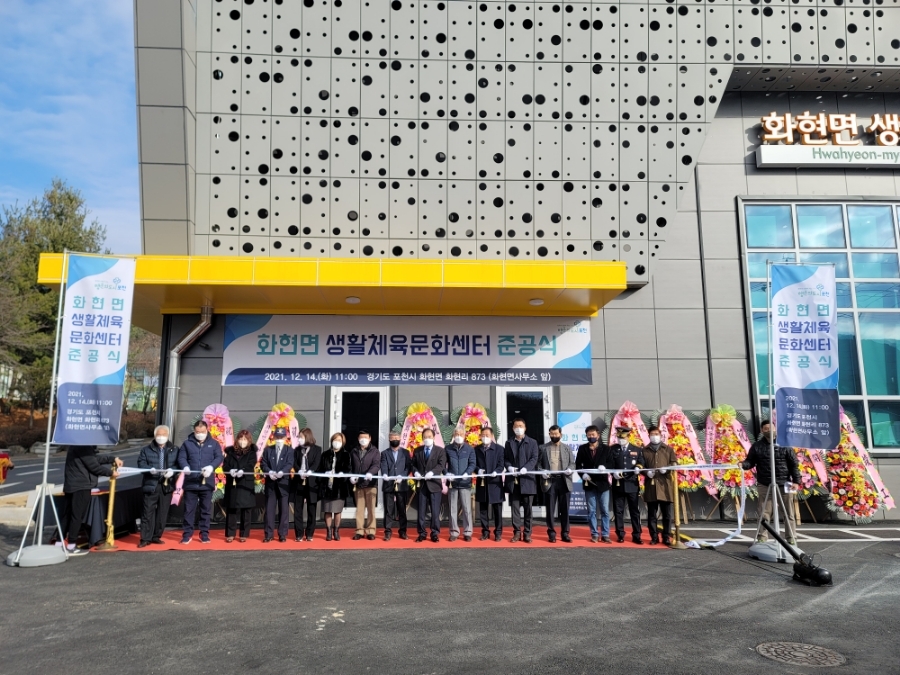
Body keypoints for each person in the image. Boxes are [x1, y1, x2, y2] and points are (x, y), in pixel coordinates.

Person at [742, 420, 802, 546]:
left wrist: (797, 481)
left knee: (788, 512)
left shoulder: (785, 445)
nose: (769, 430)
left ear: (775, 429)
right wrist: (743, 465)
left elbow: (794, 465)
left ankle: (791, 538)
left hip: (784, 483)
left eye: (771, 428)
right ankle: (762, 537)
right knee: (764, 513)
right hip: (765, 483)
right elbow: (750, 462)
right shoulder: (757, 446)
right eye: (766, 428)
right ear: (761, 431)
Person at [62, 445, 122, 555]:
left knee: (68, 515)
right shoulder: (83, 445)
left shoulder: (76, 444)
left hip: (72, 484)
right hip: (81, 485)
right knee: (77, 516)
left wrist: (112, 458)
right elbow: (93, 466)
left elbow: (93, 459)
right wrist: (110, 473)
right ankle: (71, 545)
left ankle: (59, 542)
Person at [176, 419, 223, 545]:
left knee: (206, 510)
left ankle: (204, 534)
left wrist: (211, 467)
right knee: (189, 510)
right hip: (191, 482)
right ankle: (187, 534)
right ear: (194, 431)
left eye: (202, 432)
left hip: (206, 483)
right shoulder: (187, 444)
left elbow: (219, 457)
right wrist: (185, 466)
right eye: (197, 432)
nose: (200, 434)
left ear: (207, 430)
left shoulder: (214, 443)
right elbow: (181, 457)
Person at [136, 425, 176, 547]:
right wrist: (149, 469)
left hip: (166, 484)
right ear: (154, 436)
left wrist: (172, 471)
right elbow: (141, 463)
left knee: (162, 513)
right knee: (147, 512)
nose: (161, 437)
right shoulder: (146, 450)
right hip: (151, 484)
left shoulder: (174, 449)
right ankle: (145, 538)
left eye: (163, 435)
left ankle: (156, 536)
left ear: (168, 436)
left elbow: (179, 464)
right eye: (159, 435)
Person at [575, 424, 614, 543]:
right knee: (591, 511)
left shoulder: (606, 449)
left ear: (598, 435)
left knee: (604, 510)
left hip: (603, 484)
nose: (591, 436)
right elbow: (578, 465)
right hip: (589, 483)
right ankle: (594, 534)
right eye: (589, 435)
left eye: (593, 434)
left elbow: (611, 464)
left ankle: (605, 534)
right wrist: (583, 475)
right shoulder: (583, 448)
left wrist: (605, 467)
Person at [537, 425, 575, 543]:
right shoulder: (543, 448)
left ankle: (565, 533)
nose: (554, 436)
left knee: (564, 509)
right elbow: (538, 464)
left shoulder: (567, 448)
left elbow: (572, 463)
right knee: (550, 509)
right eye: (552, 434)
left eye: (556, 434)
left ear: (560, 434)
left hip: (564, 481)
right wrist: (542, 472)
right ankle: (551, 533)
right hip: (550, 481)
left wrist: (570, 469)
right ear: (549, 434)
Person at [641, 425, 677, 546]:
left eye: (656, 434)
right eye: (652, 434)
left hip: (665, 486)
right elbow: (640, 466)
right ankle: (654, 537)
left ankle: (666, 536)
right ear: (649, 436)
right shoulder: (645, 450)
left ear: (660, 435)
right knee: (652, 515)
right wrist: (646, 472)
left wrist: (667, 469)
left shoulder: (668, 449)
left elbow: (674, 463)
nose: (654, 436)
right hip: (651, 486)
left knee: (667, 514)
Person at [504, 418, 538, 543]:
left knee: (528, 509)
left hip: (527, 479)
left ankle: (527, 533)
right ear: (513, 428)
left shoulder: (532, 442)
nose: (518, 428)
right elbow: (506, 458)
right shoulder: (509, 443)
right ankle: (516, 532)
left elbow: (534, 458)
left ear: (525, 428)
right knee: (515, 508)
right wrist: (509, 467)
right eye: (516, 426)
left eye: (521, 426)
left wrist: (526, 468)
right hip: (514, 481)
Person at [411, 428, 447, 542]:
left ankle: (434, 533)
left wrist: (433, 472)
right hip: (421, 485)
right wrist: (415, 472)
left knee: (435, 511)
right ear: (422, 438)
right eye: (425, 437)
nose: (427, 439)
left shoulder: (440, 451)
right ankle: (421, 533)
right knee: (421, 511)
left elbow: (441, 465)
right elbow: (413, 465)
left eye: (429, 437)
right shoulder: (417, 450)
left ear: (433, 437)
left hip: (434, 485)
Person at [611, 426, 644, 544]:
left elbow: (641, 461)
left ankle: (637, 535)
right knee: (618, 511)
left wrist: (638, 467)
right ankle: (620, 534)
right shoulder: (613, 449)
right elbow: (609, 463)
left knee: (634, 511)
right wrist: (612, 472)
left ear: (628, 437)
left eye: (623, 438)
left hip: (632, 484)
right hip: (618, 484)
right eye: (619, 438)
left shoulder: (636, 449)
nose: (621, 440)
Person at [223, 429, 257, 543]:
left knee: (246, 509)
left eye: (245, 439)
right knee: (231, 508)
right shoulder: (230, 452)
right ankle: (230, 533)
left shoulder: (252, 452)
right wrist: (230, 470)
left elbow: (251, 464)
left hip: (245, 482)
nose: (243, 441)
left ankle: (244, 534)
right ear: (237, 440)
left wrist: (243, 470)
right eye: (241, 439)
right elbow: (225, 465)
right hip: (233, 483)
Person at [262, 428, 293, 542]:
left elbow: (289, 463)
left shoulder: (289, 450)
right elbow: (263, 463)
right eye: (277, 437)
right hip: (271, 484)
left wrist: (282, 472)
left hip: (283, 483)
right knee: (269, 510)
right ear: (274, 437)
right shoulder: (268, 450)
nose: (279, 439)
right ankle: (268, 534)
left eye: (281, 437)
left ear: (285, 438)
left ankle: (282, 534)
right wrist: (269, 471)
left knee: (284, 510)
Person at [445, 427, 476, 542]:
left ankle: (467, 532)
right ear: (453, 435)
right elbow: (442, 464)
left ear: (464, 435)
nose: (458, 436)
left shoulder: (469, 449)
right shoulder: (448, 449)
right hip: (452, 483)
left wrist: (467, 473)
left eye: (461, 434)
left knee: (467, 509)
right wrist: (447, 474)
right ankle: (454, 532)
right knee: (452, 509)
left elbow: (472, 463)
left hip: (465, 483)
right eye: (456, 434)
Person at [292, 427, 322, 542]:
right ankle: (299, 534)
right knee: (298, 509)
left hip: (312, 483)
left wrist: (310, 471)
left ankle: (309, 533)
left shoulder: (317, 449)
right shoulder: (296, 450)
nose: (299, 439)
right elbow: (294, 462)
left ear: (307, 437)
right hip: (299, 482)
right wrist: (299, 470)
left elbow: (317, 463)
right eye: (298, 437)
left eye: (301, 437)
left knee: (311, 509)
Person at [380, 430, 411, 541]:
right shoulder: (384, 453)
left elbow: (408, 467)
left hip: (401, 485)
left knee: (402, 509)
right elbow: (383, 465)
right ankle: (388, 531)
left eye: (396, 438)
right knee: (389, 510)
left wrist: (402, 476)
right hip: (388, 484)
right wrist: (385, 474)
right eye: (392, 438)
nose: (395, 440)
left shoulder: (405, 452)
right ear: (389, 439)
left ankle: (403, 531)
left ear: (400, 439)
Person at [475, 427, 505, 541]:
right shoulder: (476, 449)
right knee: (483, 509)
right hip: (482, 483)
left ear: (492, 436)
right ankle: (485, 531)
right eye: (482, 435)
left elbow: (501, 464)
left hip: (495, 483)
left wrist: (496, 471)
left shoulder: (499, 449)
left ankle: (498, 532)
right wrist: (478, 470)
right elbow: (473, 463)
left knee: (497, 510)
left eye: (487, 435)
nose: (485, 437)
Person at [350, 429, 380, 541]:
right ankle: (359, 531)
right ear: (358, 439)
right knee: (360, 509)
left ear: (370, 438)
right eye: (361, 437)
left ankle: (371, 530)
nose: (363, 439)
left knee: (371, 509)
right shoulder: (354, 451)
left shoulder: (375, 451)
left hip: (371, 484)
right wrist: (351, 476)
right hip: (358, 485)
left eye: (366, 437)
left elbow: (376, 465)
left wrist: (370, 473)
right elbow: (351, 466)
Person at [320, 432, 351, 541]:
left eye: (339, 440)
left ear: (343, 442)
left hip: (339, 487)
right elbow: (320, 469)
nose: (337, 442)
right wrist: (325, 474)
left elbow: (348, 469)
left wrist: (343, 475)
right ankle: (328, 531)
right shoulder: (325, 454)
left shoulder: (346, 455)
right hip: (327, 486)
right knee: (328, 510)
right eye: (335, 440)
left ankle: (336, 531)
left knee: (337, 511)